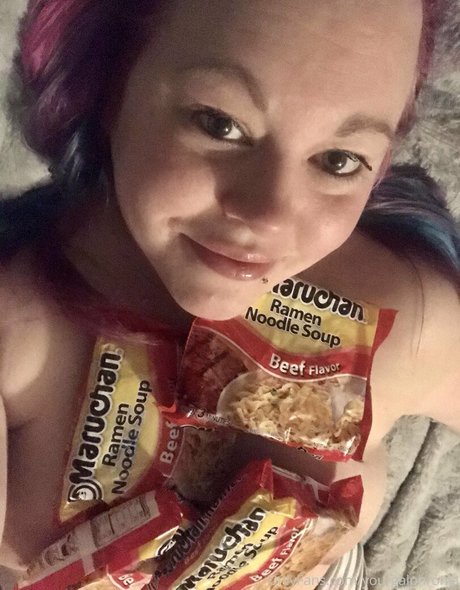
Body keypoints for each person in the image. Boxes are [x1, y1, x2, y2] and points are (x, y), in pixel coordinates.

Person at [0, 0, 459, 588]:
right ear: (110, 84)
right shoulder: (15, 333)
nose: (269, 216)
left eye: (339, 160)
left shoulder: (401, 321)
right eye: (220, 124)